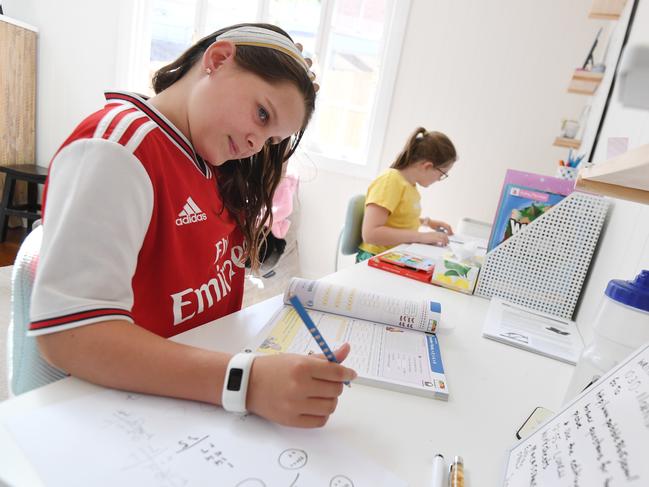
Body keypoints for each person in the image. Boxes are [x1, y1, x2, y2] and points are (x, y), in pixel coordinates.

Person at [28, 23, 356, 428]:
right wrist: (246, 382)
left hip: (185, 398)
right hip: (117, 410)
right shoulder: (118, 149)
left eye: (271, 139)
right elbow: (70, 334)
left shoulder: (210, 163)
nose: (258, 144)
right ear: (217, 60)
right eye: (262, 113)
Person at [356, 127, 457, 262]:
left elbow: (399, 218)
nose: (439, 179)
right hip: (375, 258)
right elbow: (370, 234)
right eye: (442, 174)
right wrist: (421, 237)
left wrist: (428, 222)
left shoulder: (410, 186)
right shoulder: (390, 181)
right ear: (427, 166)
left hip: (394, 254)